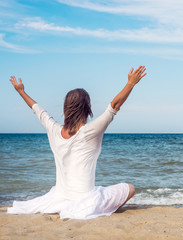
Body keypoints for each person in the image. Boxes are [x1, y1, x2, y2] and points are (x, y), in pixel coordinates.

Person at [7, 65, 147, 220]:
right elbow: (114, 106)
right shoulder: (90, 132)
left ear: (66, 108)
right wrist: (130, 83)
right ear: (88, 107)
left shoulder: (53, 130)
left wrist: (21, 91)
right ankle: (101, 210)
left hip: (59, 197)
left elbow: (38, 110)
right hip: (85, 200)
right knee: (129, 188)